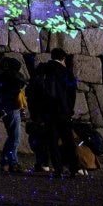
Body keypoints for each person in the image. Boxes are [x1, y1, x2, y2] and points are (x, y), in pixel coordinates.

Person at [26, 48, 78, 178]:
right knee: (68, 140)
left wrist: (35, 112)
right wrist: (69, 109)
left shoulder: (42, 70)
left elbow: (32, 92)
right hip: (63, 111)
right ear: (63, 59)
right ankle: (73, 168)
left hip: (47, 112)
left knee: (52, 141)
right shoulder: (66, 72)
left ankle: (58, 169)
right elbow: (72, 94)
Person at [0, 56, 28, 173]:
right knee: (14, 138)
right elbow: (18, 87)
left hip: (4, 108)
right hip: (12, 108)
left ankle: (7, 162)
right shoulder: (11, 77)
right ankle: (10, 162)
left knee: (12, 137)